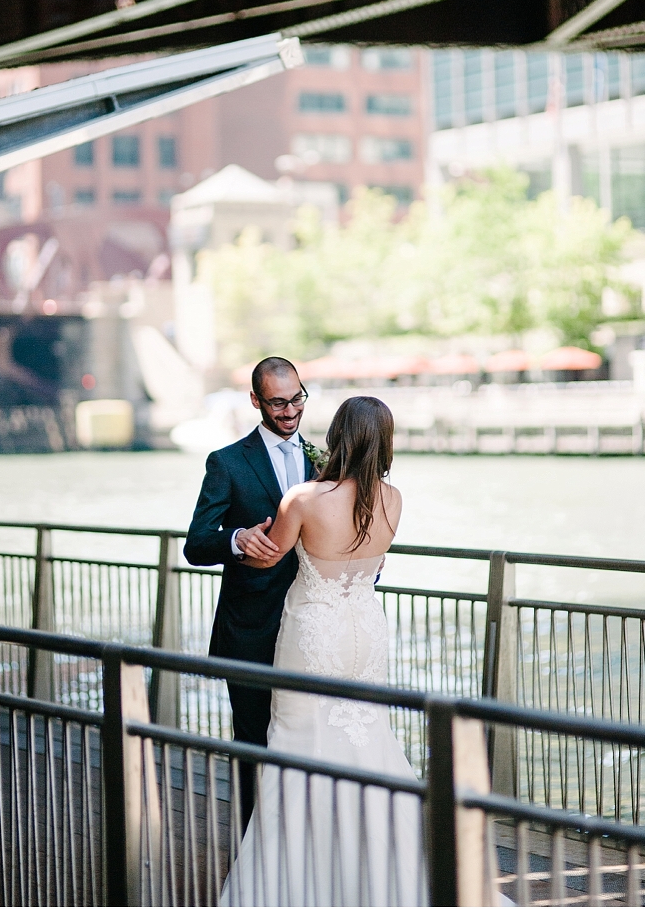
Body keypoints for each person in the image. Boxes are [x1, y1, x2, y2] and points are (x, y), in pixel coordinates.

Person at [220, 395, 424, 907]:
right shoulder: (394, 499)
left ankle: (300, 877)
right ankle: (384, 870)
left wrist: (246, 538)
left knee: (299, 741)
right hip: (365, 629)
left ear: (338, 436)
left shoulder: (304, 498)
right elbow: (373, 566)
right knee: (368, 739)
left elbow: (269, 559)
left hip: (314, 633)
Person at [183, 356, 315, 816]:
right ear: (256, 401)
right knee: (253, 745)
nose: (290, 411)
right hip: (250, 631)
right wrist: (238, 540)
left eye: (297, 398)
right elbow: (196, 544)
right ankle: (251, 849)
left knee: (307, 741)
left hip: (312, 628)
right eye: (278, 402)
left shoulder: (325, 461)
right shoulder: (226, 463)